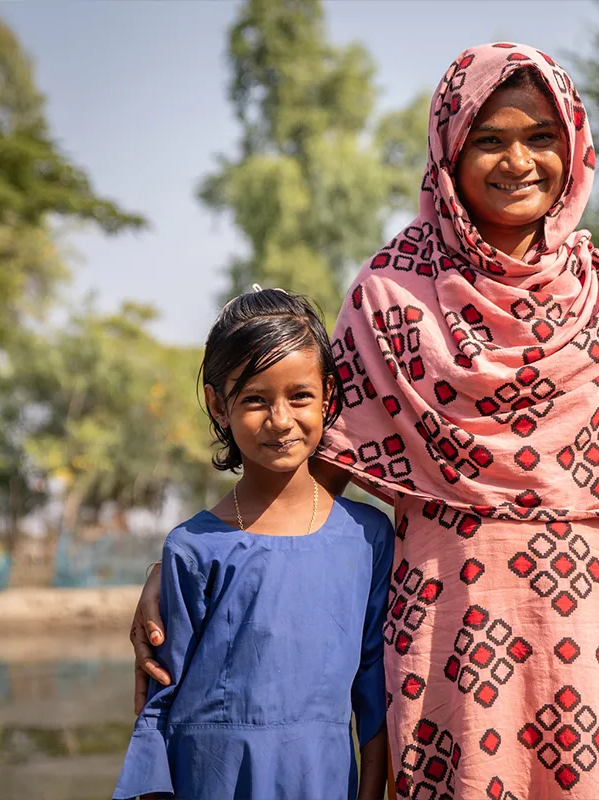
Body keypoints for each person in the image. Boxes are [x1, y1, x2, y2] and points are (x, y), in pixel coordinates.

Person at [128, 45, 599, 798]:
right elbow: (308, 484)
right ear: (450, 153)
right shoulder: (390, 301)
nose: (519, 161)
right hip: (452, 643)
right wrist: (179, 565)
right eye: (489, 140)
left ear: (573, 147)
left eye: (541, 137)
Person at [113, 287, 393, 800]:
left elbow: (374, 697)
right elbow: (159, 703)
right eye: (255, 399)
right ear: (220, 405)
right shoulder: (193, 548)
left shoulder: (368, 537)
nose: (280, 420)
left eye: (300, 396)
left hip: (322, 777)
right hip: (210, 780)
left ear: (329, 394)